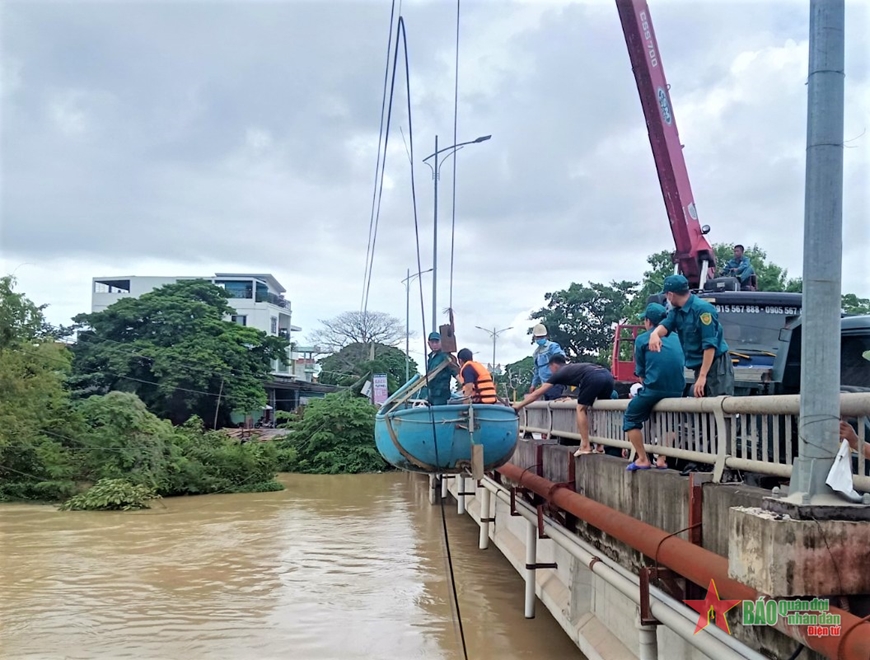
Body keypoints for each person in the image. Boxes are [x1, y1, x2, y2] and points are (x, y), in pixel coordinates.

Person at [648, 274, 734, 398]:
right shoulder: (677, 311)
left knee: (718, 405)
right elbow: (666, 325)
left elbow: (709, 346)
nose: (666, 298)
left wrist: (702, 376)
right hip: (700, 366)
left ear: (671, 295)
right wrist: (655, 334)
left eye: (666, 295)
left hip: (716, 365)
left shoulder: (703, 310)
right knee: (703, 409)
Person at [625, 303, 686, 471]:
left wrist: (648, 389)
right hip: (677, 390)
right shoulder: (678, 338)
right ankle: (661, 459)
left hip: (654, 389)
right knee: (670, 423)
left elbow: (641, 373)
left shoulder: (643, 339)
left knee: (631, 417)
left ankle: (643, 459)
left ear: (648, 321)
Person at [513, 354, 614, 456]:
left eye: (550, 368)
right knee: (601, 409)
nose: (550, 371)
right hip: (608, 375)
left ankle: (585, 446)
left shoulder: (559, 373)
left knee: (580, 409)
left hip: (593, 377)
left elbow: (536, 394)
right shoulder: (573, 368)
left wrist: (518, 406)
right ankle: (600, 446)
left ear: (554, 365)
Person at [529, 323, 567, 401]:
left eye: (541, 337)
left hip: (555, 383)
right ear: (534, 338)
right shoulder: (536, 353)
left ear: (546, 336)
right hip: (544, 385)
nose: (540, 339)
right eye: (538, 337)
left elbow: (560, 357)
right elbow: (537, 371)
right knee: (548, 407)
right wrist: (533, 385)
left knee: (554, 404)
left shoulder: (552, 346)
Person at [424, 332, 459, 405]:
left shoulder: (445, 357)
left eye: (436, 342)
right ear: (428, 343)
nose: (434, 345)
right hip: (432, 393)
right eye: (432, 342)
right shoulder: (430, 358)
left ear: (441, 342)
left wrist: (464, 384)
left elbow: (455, 371)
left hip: (441, 394)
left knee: (438, 413)